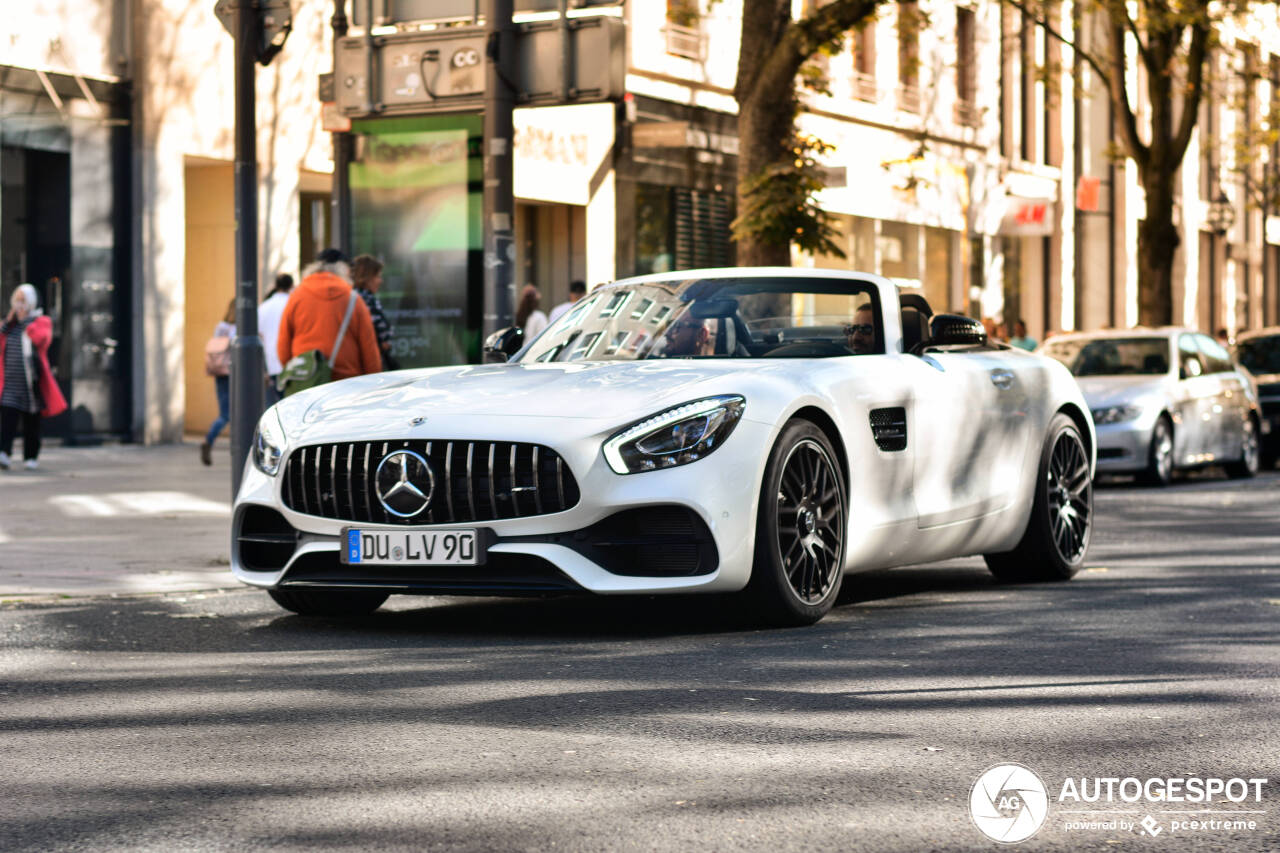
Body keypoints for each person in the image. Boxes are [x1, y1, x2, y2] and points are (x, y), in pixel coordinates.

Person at [276, 248, 381, 384]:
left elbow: (283, 348)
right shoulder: (354, 299)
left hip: (308, 383)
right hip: (348, 385)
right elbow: (370, 352)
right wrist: (374, 383)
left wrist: (300, 369)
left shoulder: (296, 296)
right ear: (344, 270)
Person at [0, 284, 67, 470]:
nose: (20, 304)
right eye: (17, 300)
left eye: (23, 300)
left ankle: (31, 456)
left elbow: (41, 339)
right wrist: (9, 320)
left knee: (32, 423)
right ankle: (4, 453)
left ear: (31, 302)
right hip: (10, 383)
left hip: (32, 383)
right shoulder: (9, 325)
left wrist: (25, 321)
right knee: (7, 419)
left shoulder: (41, 321)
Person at [200, 298, 236, 466]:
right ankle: (238, 446)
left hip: (220, 373)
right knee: (232, 414)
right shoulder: (239, 330)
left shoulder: (220, 327)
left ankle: (209, 441)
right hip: (235, 374)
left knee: (226, 413)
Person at [350, 254, 398, 371]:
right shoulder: (367, 300)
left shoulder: (351, 297)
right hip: (369, 363)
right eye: (378, 276)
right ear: (367, 278)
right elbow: (384, 338)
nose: (380, 281)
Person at [258, 273, 293, 405]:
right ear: (291, 286)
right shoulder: (292, 303)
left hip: (271, 361)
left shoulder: (264, 307)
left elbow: (259, 334)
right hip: (291, 361)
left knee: (275, 403)